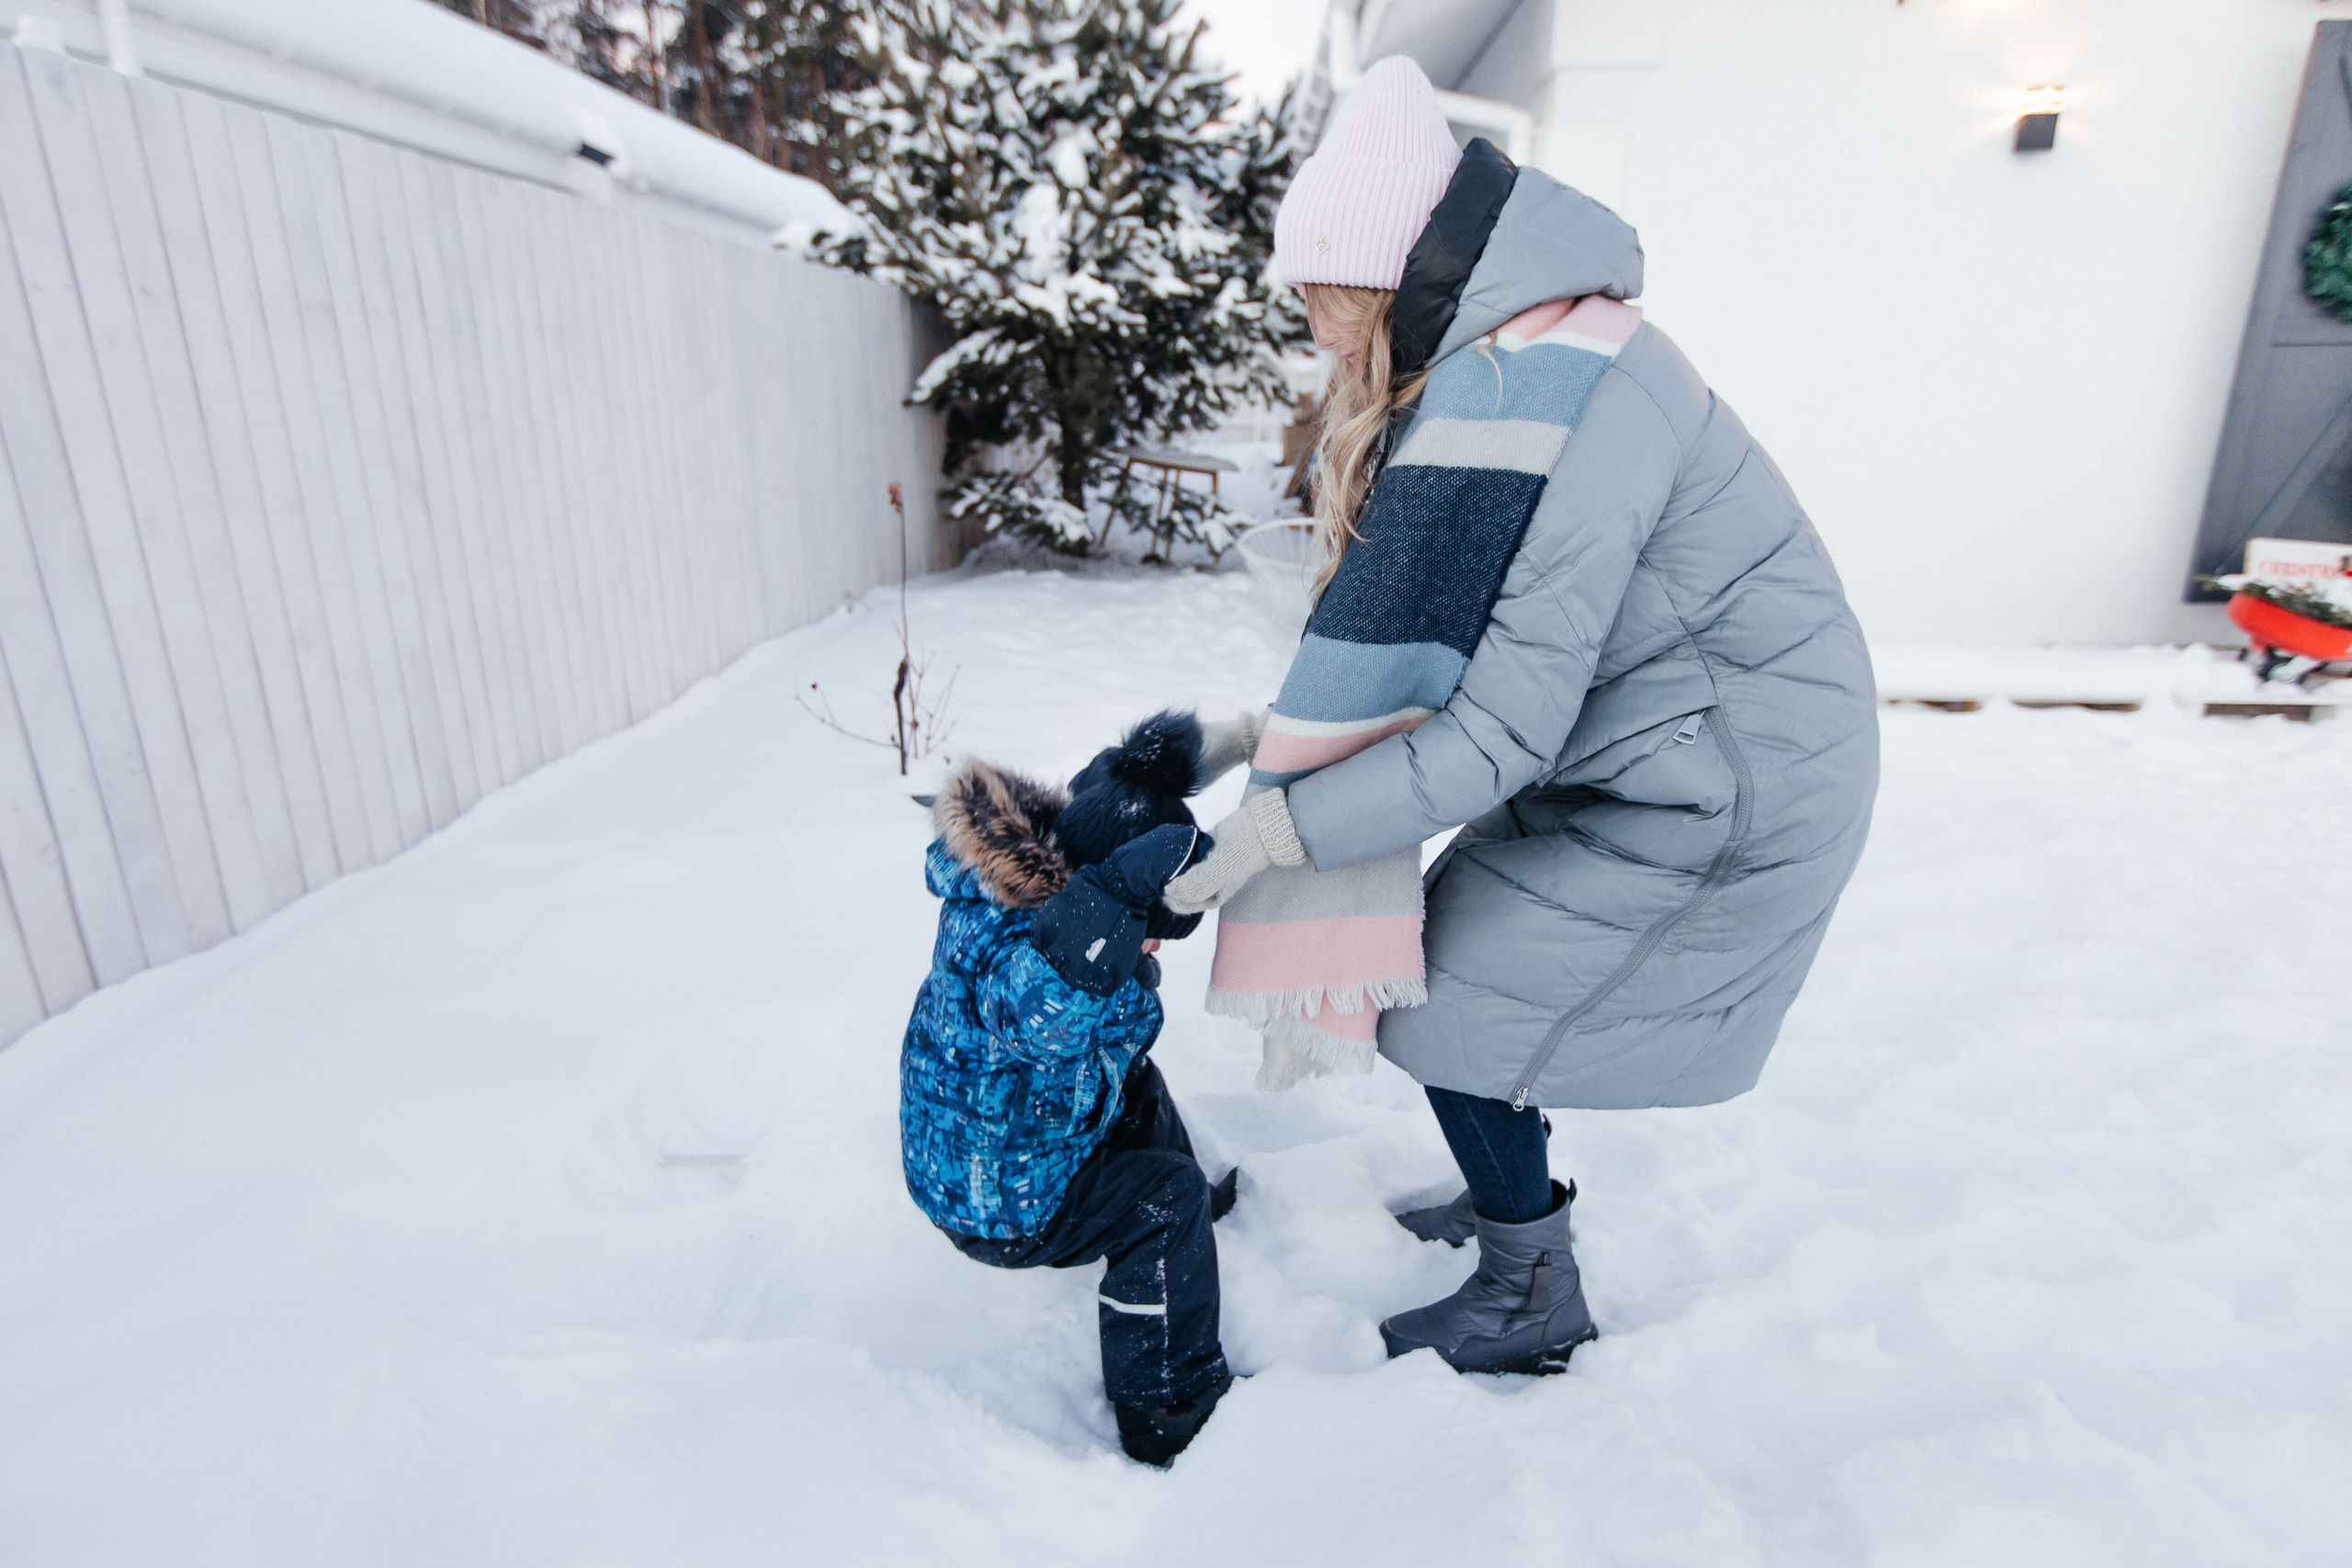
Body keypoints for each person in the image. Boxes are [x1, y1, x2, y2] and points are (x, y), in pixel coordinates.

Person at [1165, 57, 1880, 1376]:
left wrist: (1279, 831)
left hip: (1731, 777)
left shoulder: (1550, 395)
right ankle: (1513, 1195)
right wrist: (1284, 737)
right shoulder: (1530, 358)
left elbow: (1497, 731)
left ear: (1390, 278)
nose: (1318, 334)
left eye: (1325, 296)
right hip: (1656, 749)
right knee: (1470, 958)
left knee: (1457, 995)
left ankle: (1530, 1288)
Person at [900, 710, 1258, 1465]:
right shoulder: (1028, 960)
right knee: (1163, 1201)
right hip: (999, 1202)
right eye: (1151, 929)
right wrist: (1119, 905)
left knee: (1135, 1084)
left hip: (994, 1138)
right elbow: (1042, 1017)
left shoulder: (1021, 887)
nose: (1155, 944)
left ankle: (1190, 1217)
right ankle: (1166, 1403)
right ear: (1108, 906)